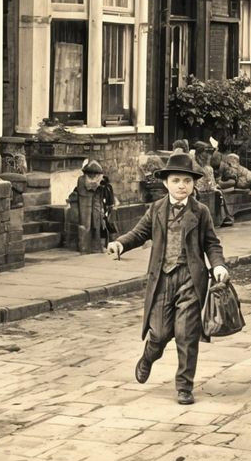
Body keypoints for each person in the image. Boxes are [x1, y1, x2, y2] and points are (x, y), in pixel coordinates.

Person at [106, 152, 228, 405]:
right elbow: (139, 233)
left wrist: (218, 266)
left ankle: (184, 386)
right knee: (160, 333)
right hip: (162, 279)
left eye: (186, 180)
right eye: (176, 180)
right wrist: (120, 243)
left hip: (190, 280)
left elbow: (212, 244)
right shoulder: (157, 209)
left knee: (186, 334)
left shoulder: (201, 212)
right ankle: (149, 356)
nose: (181, 185)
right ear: (166, 183)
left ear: (193, 184)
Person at [67, 159, 115, 253]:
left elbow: (103, 194)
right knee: (86, 226)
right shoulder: (83, 180)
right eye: (91, 174)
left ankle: (95, 247)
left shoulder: (99, 181)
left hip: (95, 206)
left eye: (95, 174)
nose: (93, 176)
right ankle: (85, 247)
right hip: (85, 206)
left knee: (96, 226)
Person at [193, 140, 234, 227]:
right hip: (197, 189)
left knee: (218, 192)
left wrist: (214, 186)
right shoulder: (195, 165)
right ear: (200, 153)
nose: (208, 155)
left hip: (207, 189)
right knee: (217, 193)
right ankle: (225, 217)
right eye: (206, 152)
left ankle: (224, 217)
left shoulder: (208, 167)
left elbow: (210, 182)